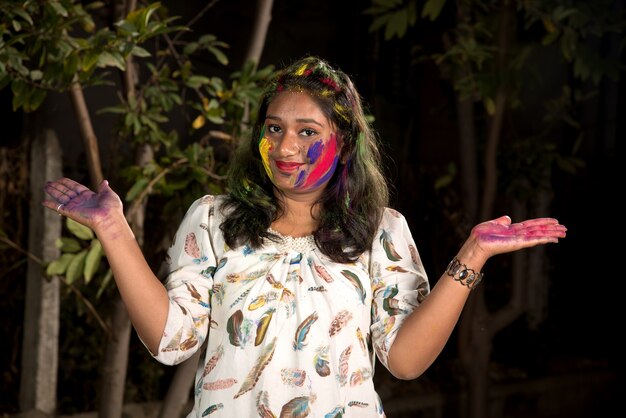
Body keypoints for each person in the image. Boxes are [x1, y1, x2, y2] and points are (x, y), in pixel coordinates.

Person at [43, 56, 566, 417]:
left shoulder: (382, 231)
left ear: (344, 141)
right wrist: (114, 231)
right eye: (274, 128)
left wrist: (473, 254)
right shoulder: (213, 219)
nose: (286, 145)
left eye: (307, 131)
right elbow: (170, 342)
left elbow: (405, 361)